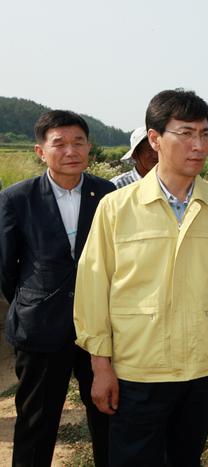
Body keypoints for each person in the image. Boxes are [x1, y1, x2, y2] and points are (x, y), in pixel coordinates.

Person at [74, 88, 208, 467]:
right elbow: (92, 290)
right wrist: (100, 366)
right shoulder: (116, 207)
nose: (199, 145)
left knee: (185, 459)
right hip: (139, 370)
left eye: (205, 134)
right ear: (154, 138)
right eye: (186, 133)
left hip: (204, 368)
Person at [0, 110, 114, 467]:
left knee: (108, 415)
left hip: (99, 327)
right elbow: (7, 269)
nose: (70, 151)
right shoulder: (16, 198)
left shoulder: (107, 194)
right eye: (59, 143)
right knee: (36, 422)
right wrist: (36, 301)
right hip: (42, 325)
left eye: (78, 142)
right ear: (40, 151)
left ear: (89, 147)